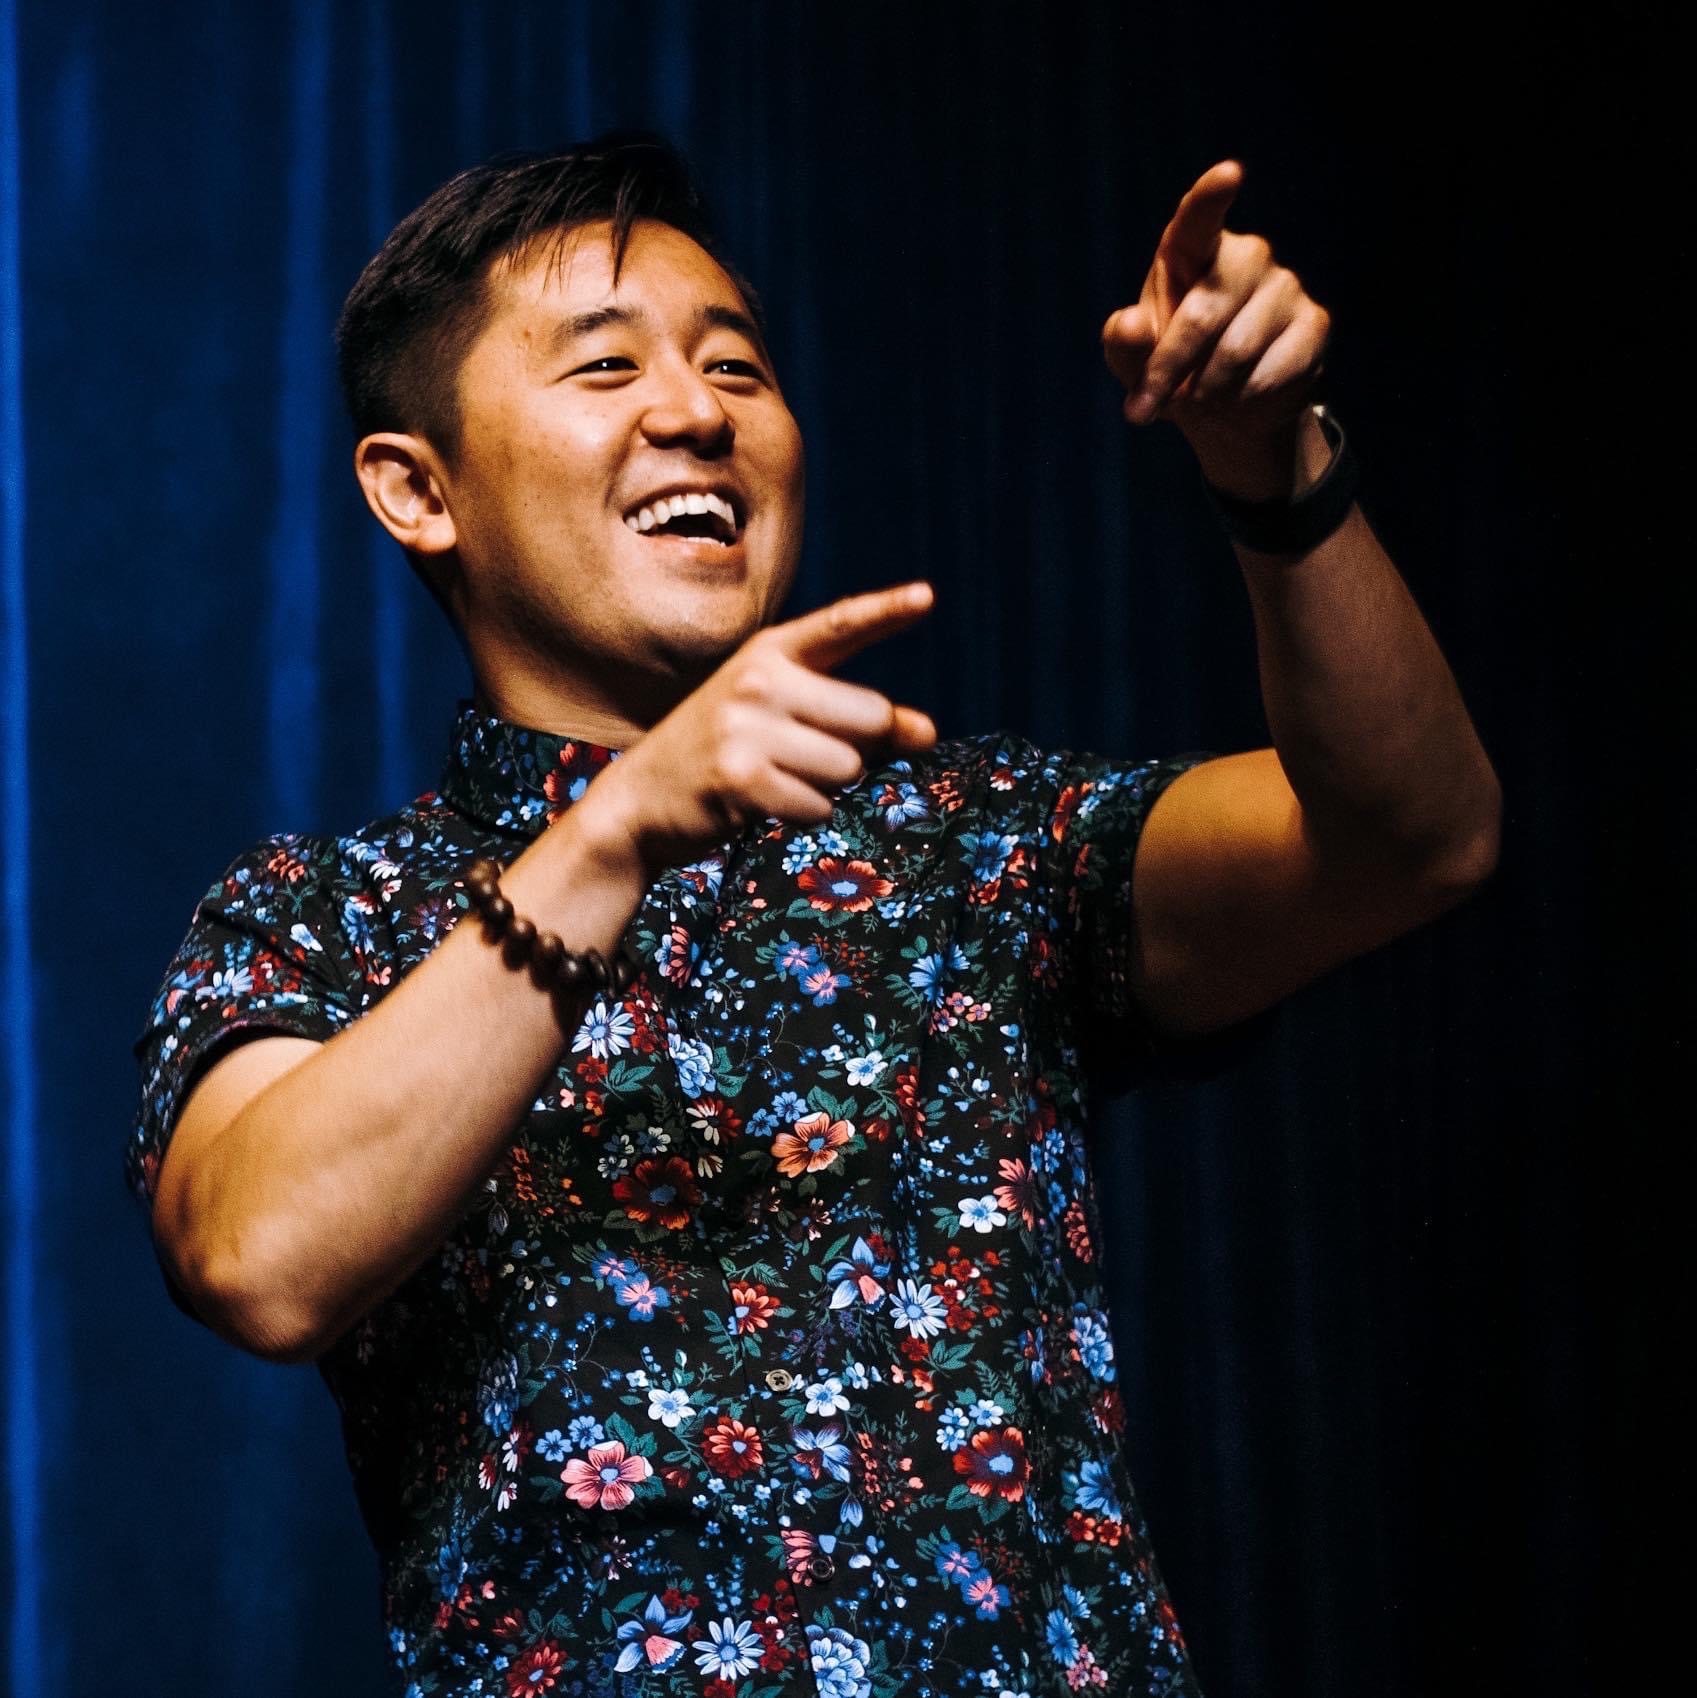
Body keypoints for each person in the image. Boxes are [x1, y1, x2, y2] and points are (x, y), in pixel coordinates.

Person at [127, 132, 1500, 1698]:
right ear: (416, 489)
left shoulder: (977, 841)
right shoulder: (328, 914)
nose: (696, 412)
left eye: (738, 367)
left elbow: (1416, 836)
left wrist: (1280, 476)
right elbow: (261, 1253)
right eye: (601, 368)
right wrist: (615, 828)